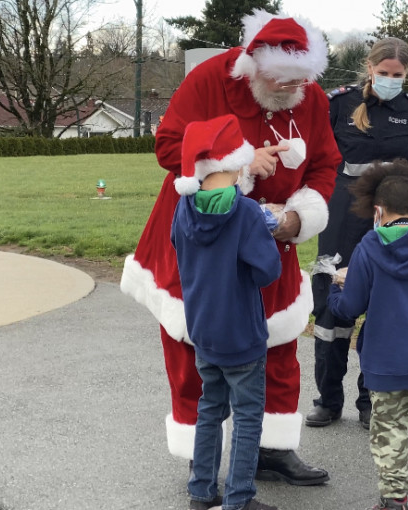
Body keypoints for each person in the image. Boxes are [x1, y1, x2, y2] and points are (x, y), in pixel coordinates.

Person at [120, 9, 342, 486]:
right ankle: (201, 459)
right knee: (192, 343)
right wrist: (238, 163)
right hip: (202, 235)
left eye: (299, 81)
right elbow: (168, 146)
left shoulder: (311, 95)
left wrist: (298, 217)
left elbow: (325, 163)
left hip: (272, 237)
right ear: (253, 65)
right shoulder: (209, 79)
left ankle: (272, 448)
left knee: (277, 340)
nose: (290, 90)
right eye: (280, 80)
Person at [307, 37, 408, 430]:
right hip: (342, 218)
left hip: (391, 219)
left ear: (407, 73)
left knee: (383, 307)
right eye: (383, 73)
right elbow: (319, 157)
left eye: (397, 74)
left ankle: (370, 401)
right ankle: (328, 400)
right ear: (369, 68)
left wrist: (400, 209)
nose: (389, 79)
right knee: (331, 306)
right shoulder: (339, 103)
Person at [327, 160, 408, 510]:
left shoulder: (369, 248)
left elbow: (350, 307)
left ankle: (393, 499)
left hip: (386, 363)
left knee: (390, 434)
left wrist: (336, 288)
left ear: (378, 211)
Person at [172, 114, 282, 510]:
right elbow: (267, 271)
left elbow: (178, 248)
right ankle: (239, 497)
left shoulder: (183, 208)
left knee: (210, 409)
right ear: (237, 165)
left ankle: (201, 491)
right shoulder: (247, 213)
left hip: (203, 328)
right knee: (248, 417)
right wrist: (267, 230)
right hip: (242, 333)